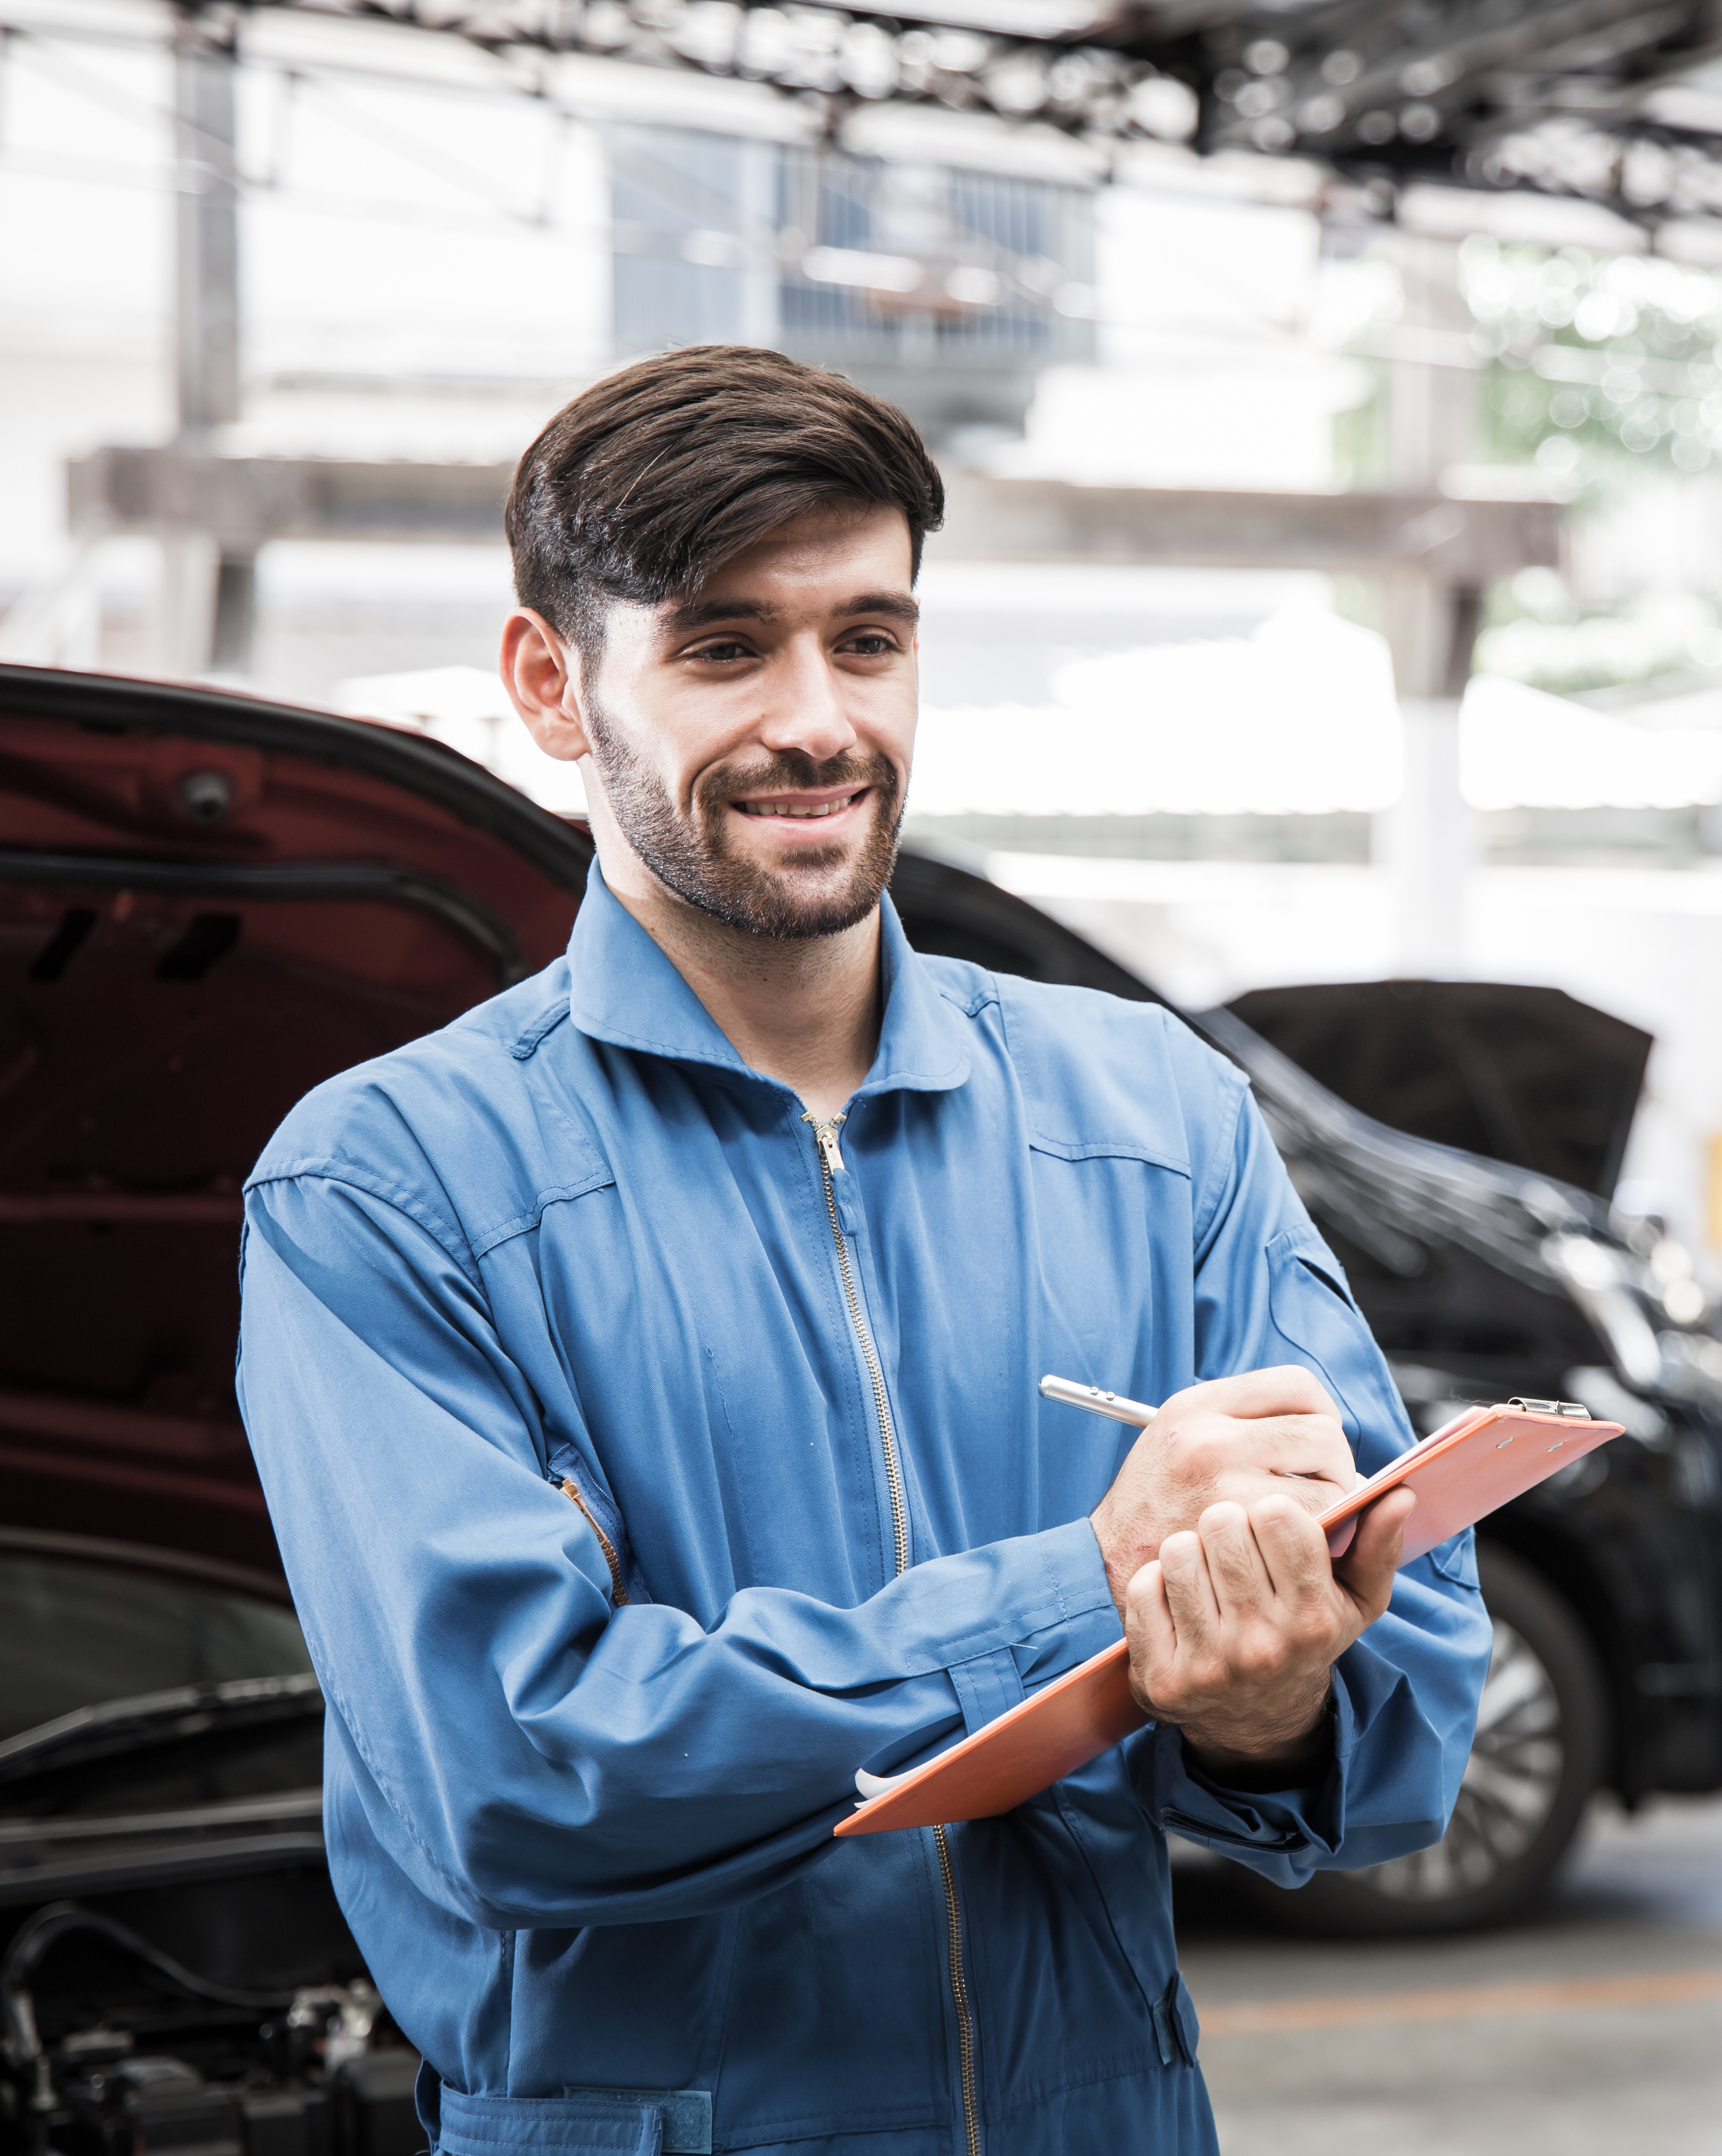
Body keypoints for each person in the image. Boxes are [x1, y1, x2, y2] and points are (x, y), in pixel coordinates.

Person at [235, 344, 1490, 2156]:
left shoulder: (1155, 1120)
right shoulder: (391, 1188)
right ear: (551, 683)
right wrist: (1094, 1589)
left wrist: (1271, 1700)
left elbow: (1407, 1730)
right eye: (725, 647)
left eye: (871, 640)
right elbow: (519, 1778)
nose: (820, 722)